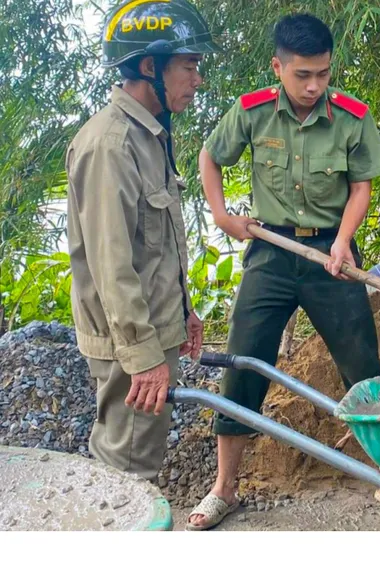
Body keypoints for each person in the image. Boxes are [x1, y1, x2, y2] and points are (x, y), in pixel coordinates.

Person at [189, 13, 380, 530]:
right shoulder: (252, 111)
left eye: (323, 73)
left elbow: (361, 187)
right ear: (277, 67)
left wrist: (343, 242)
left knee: (362, 365)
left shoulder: (352, 116)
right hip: (271, 253)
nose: (314, 86)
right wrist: (221, 215)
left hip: (331, 256)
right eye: (302, 75)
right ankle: (224, 488)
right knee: (244, 362)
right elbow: (210, 157)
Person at [65, 0, 219, 481]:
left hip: (153, 328)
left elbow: (154, 246)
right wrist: (144, 356)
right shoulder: (111, 145)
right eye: (189, 66)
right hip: (131, 343)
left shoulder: (150, 135)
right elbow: (111, 266)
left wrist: (182, 311)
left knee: (139, 460)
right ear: (150, 67)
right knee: (126, 470)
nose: (197, 80)